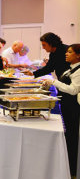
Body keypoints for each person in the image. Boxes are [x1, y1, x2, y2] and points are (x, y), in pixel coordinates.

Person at [42, 44, 80, 177]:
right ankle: (69, 162)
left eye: (70, 52)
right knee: (68, 134)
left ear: (78, 55)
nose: (66, 54)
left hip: (73, 107)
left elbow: (73, 90)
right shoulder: (71, 68)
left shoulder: (79, 70)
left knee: (72, 135)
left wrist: (54, 82)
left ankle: (73, 167)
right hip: (66, 104)